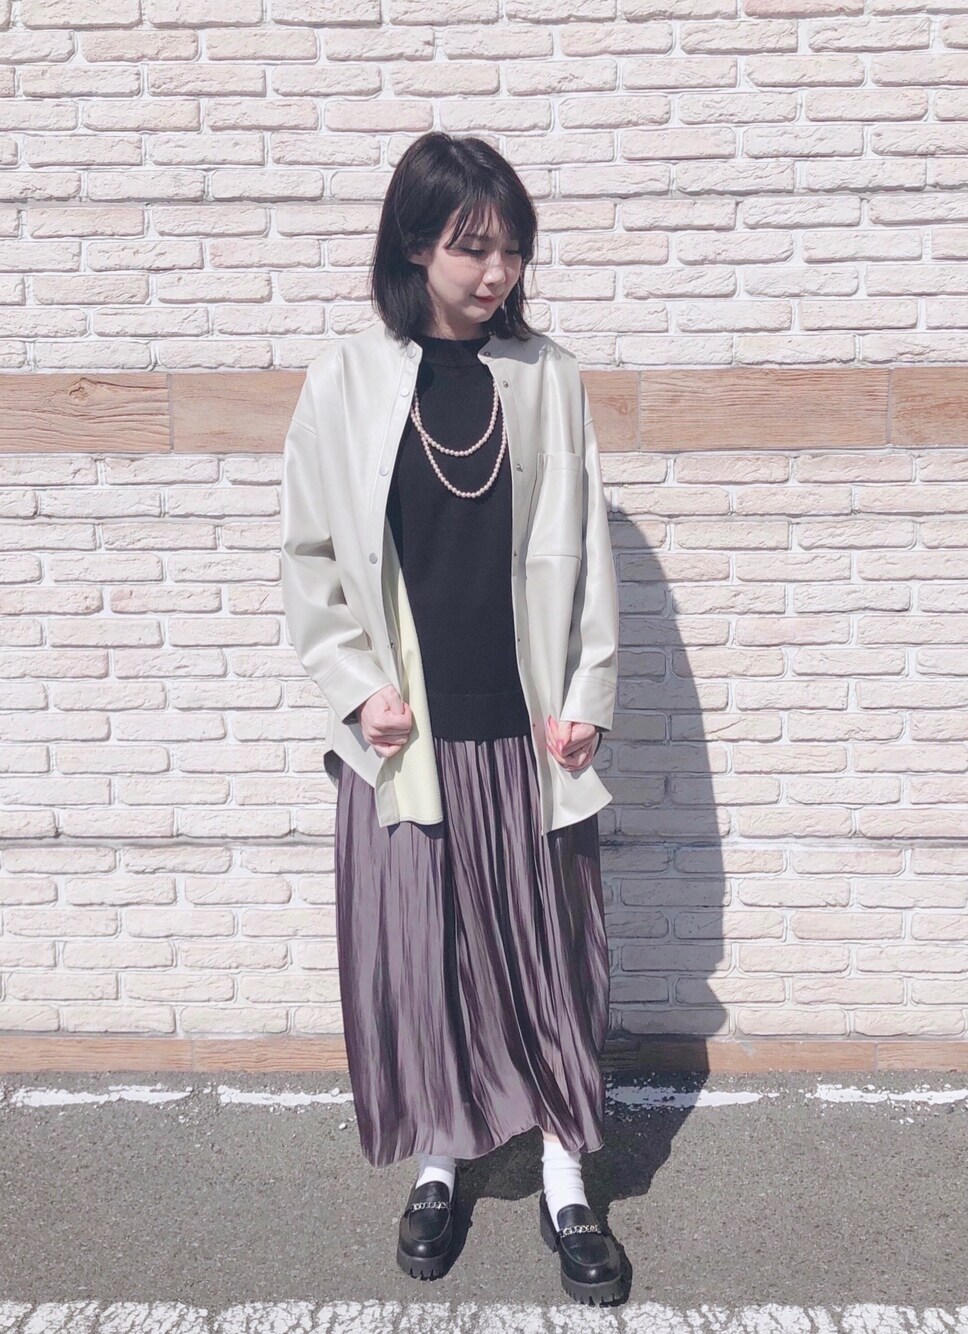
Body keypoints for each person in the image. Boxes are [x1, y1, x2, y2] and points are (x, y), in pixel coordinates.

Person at [280, 131, 623, 1305]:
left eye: (513, 249)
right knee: (425, 962)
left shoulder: (548, 376)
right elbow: (309, 557)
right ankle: (439, 1161)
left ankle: (568, 1177)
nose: (498, 272)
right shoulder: (345, 379)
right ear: (416, 242)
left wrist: (585, 697)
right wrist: (352, 686)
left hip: (529, 737)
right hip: (406, 740)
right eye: (475, 247)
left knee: (547, 961)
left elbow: (587, 564)